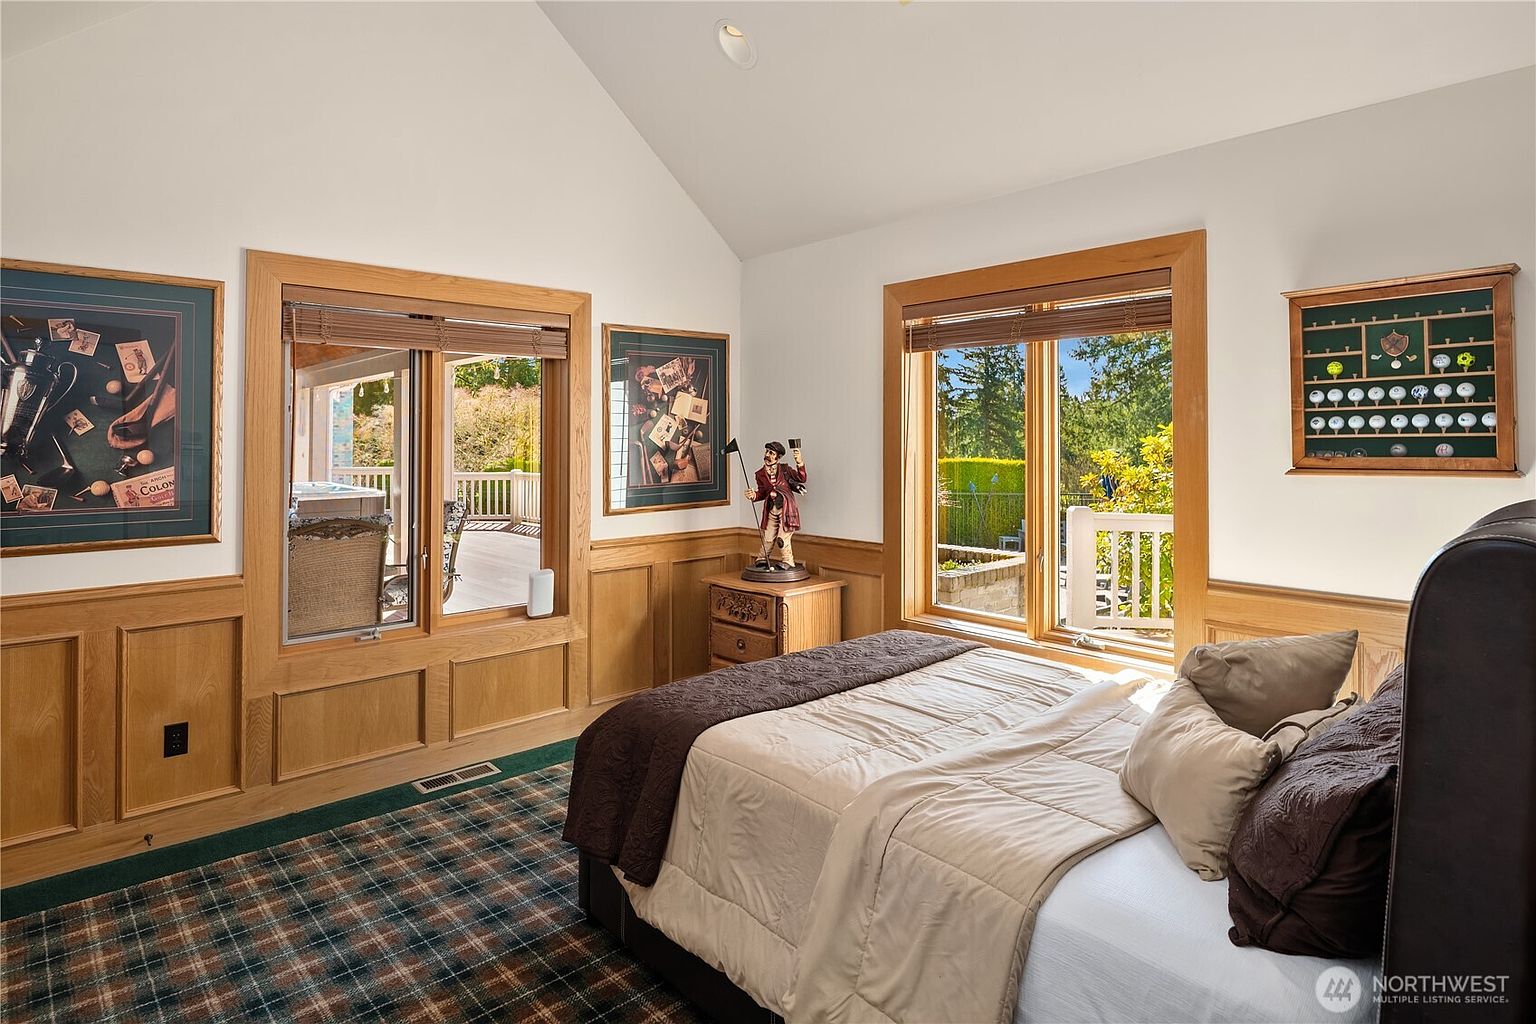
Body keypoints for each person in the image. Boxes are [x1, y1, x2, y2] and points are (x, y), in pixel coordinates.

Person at [745, 441, 806, 569]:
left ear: (778, 457)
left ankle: (788, 561)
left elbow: (802, 478)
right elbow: (762, 492)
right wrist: (754, 495)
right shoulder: (760, 474)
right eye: (767, 451)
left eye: (771, 453)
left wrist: (799, 462)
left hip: (786, 509)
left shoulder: (785, 470)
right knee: (768, 537)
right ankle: (762, 558)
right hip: (771, 509)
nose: (768, 455)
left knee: (782, 538)